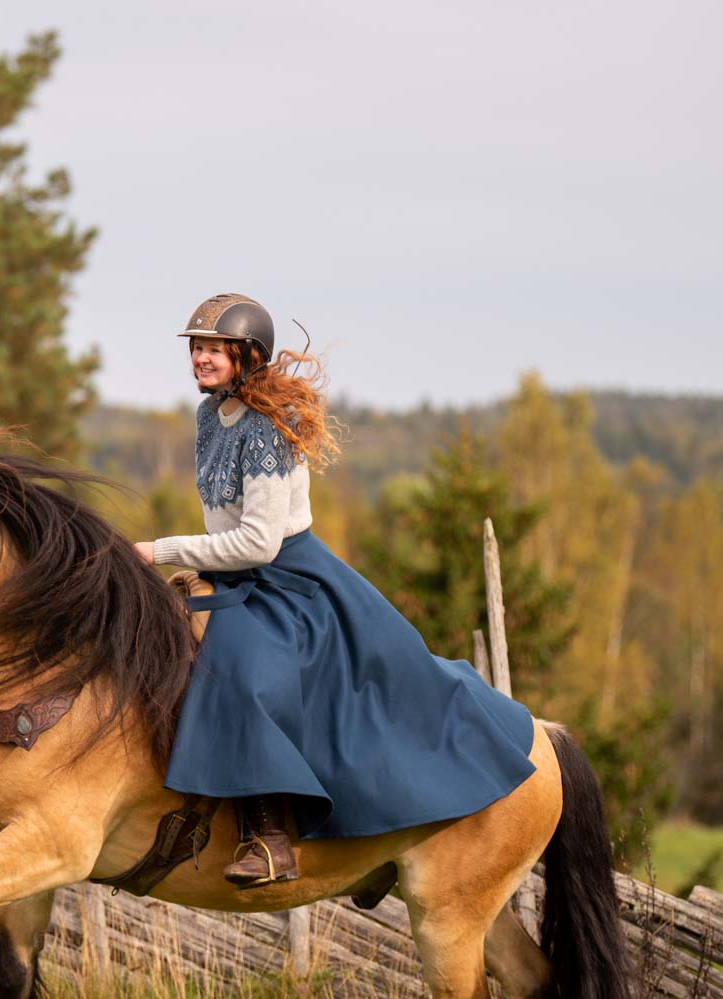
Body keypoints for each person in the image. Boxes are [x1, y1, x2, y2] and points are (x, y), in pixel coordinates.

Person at [135, 292, 537, 889]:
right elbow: (225, 525)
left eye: (215, 348)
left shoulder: (267, 428)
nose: (201, 358)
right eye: (197, 348)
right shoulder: (207, 417)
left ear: (248, 355)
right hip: (234, 572)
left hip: (287, 577)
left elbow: (259, 542)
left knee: (239, 670)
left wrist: (161, 550)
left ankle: (272, 839)